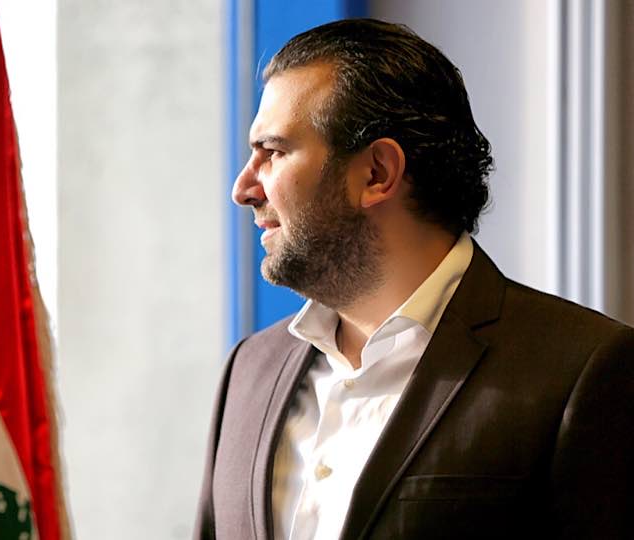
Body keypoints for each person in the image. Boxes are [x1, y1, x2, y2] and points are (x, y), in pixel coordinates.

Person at [194, 18, 634, 540]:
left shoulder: (583, 371)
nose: (243, 188)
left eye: (273, 152)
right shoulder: (248, 371)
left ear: (377, 172)